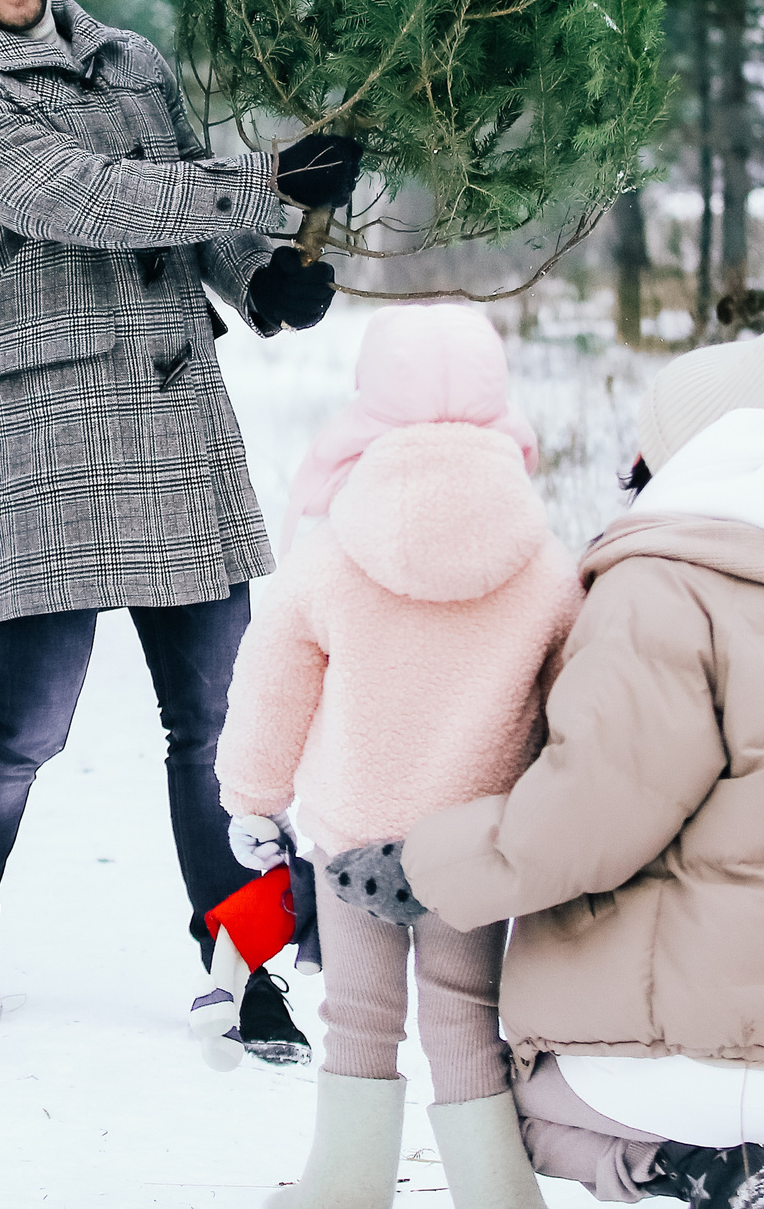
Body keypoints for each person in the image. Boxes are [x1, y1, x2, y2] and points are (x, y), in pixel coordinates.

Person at [325, 319, 764, 1209]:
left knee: (514, 1102)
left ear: (676, 457)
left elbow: (591, 811)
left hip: (706, 1061)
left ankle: (692, 1168)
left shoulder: (655, 587)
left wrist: (425, 864)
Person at [0, 0, 362, 1056]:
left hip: (173, 408)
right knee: (31, 717)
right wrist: (267, 181)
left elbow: (183, 206)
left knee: (220, 722)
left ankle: (246, 964)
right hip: (48, 422)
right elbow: (87, 198)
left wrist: (261, 279)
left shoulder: (131, 61)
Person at [217, 306, 582, 1208]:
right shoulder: (545, 565)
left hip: (351, 832)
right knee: (466, 1017)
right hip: (478, 844)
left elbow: (272, 676)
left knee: (358, 1017)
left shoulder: (332, 551)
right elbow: (579, 701)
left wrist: (254, 795)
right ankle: (500, 1197)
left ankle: (343, 1191)